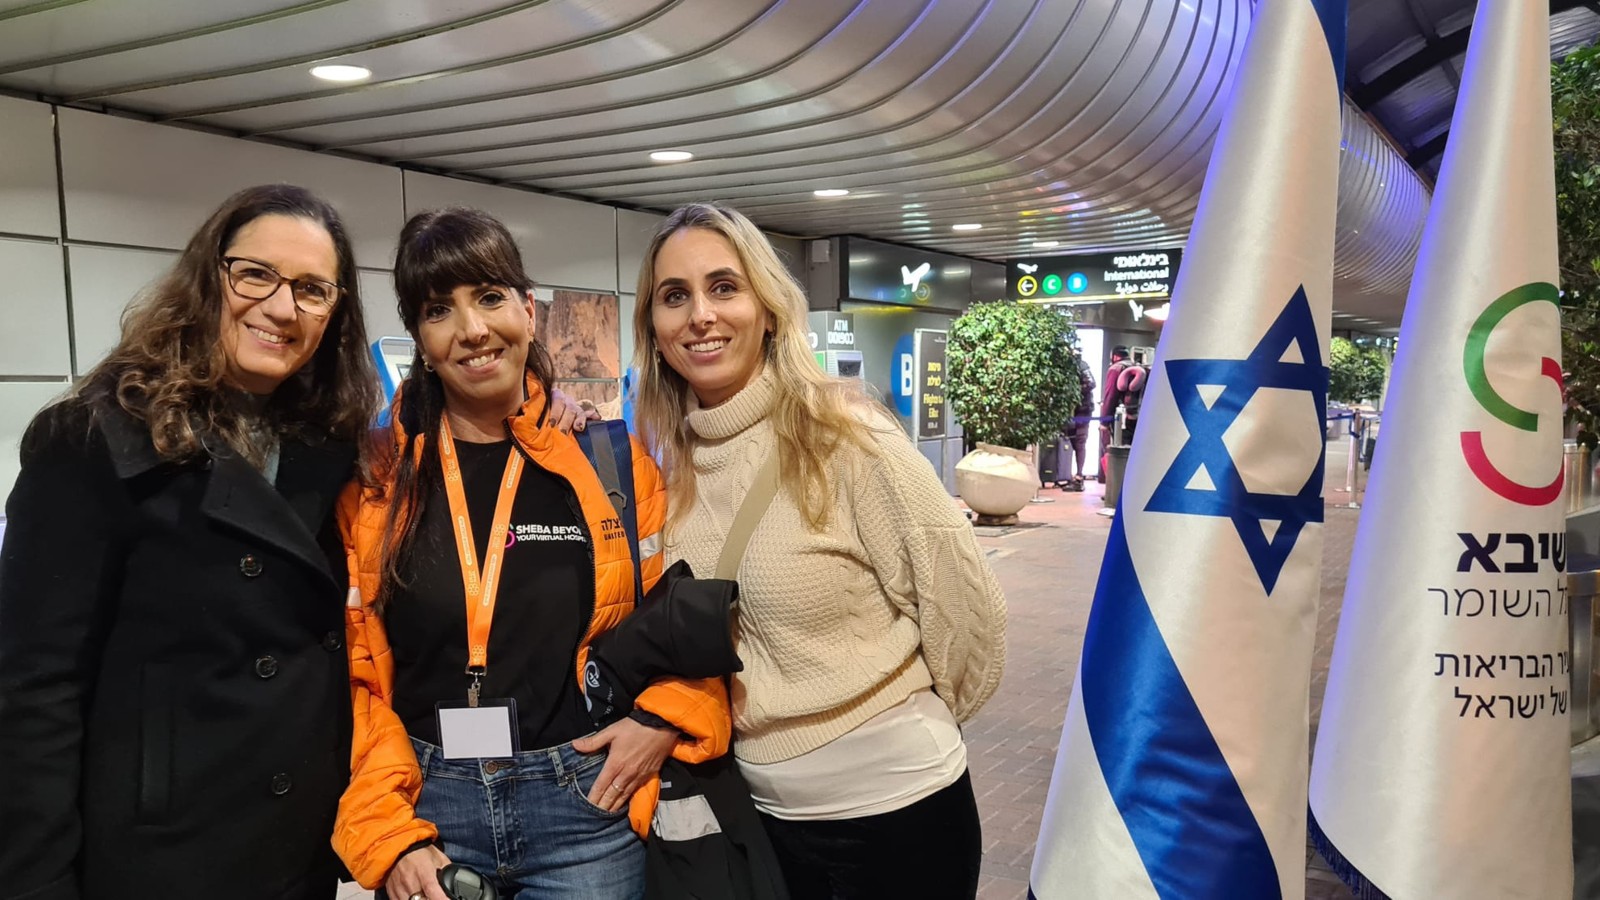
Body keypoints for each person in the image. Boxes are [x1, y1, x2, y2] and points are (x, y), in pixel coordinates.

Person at [332, 208, 730, 900]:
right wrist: (386, 831)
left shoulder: (610, 463)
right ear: (420, 340)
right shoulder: (375, 480)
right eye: (438, 310)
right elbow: (356, 676)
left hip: (583, 807)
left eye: (489, 297)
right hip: (431, 808)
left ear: (527, 308)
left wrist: (662, 719)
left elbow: (677, 622)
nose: (472, 329)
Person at [0, 184, 381, 899]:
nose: (281, 307)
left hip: (295, 845)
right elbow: (33, 692)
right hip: (161, 855)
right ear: (210, 277)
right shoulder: (93, 439)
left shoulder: (328, 443)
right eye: (256, 274)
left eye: (312, 289)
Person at [631, 202, 1008, 899]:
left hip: (899, 814)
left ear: (769, 310)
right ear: (653, 332)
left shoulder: (847, 436)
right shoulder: (666, 469)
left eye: (724, 287)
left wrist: (892, 726)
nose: (700, 316)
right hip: (763, 821)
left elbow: (966, 609)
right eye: (674, 296)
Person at [1058, 355, 1097, 490]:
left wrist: (1073, 391)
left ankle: (1079, 476)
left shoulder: (1081, 365)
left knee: (1079, 441)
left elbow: (1091, 383)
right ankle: (1067, 475)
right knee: (1070, 441)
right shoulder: (1062, 367)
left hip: (1082, 409)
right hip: (1069, 409)